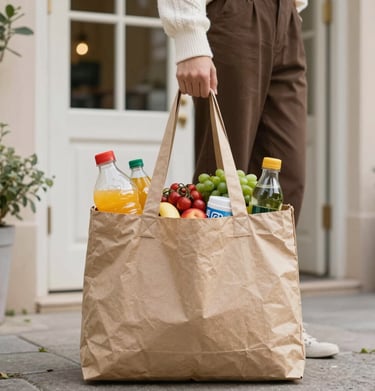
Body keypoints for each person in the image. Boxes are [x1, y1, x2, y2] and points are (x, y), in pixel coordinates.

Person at [157, 0, 339, 358]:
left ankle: (275, 321)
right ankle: (208, 322)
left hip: (285, 17)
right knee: (223, 177)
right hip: (235, 13)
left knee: (285, 180)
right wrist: (190, 35)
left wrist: (288, 13)